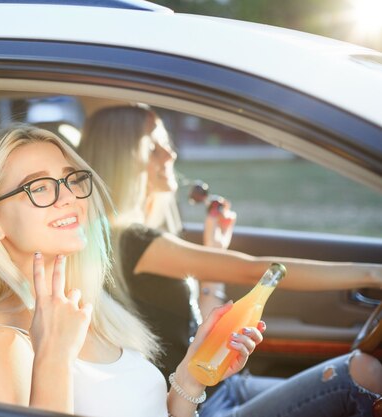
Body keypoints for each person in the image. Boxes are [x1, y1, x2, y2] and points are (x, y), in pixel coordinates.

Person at [0, 124, 381, 417]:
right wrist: (54, 358)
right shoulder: (5, 342)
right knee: (359, 376)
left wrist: (191, 376)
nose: (68, 198)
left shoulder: (85, 305)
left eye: (71, 179)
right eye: (38, 187)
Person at [77, 105, 382, 374]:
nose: (170, 154)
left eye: (166, 143)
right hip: (199, 402)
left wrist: (214, 251)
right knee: (359, 375)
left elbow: (199, 332)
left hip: (215, 386)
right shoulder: (134, 241)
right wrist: (370, 273)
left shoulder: (137, 238)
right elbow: (255, 270)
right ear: (122, 159)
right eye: (152, 147)